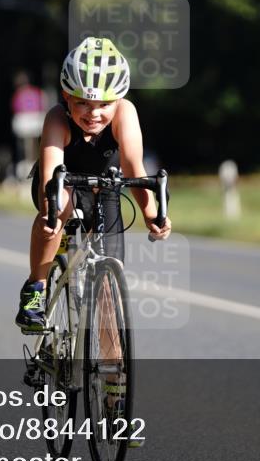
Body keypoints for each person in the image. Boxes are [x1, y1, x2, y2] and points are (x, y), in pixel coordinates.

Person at [15, 37, 172, 332]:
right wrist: (51, 210)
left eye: (104, 104)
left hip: (106, 186)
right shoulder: (57, 119)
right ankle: (35, 287)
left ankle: (112, 375)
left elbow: (133, 168)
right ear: (65, 96)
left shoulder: (125, 113)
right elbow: (50, 174)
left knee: (110, 294)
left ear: (120, 98)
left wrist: (152, 215)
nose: (94, 113)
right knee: (58, 203)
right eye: (82, 103)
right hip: (63, 182)